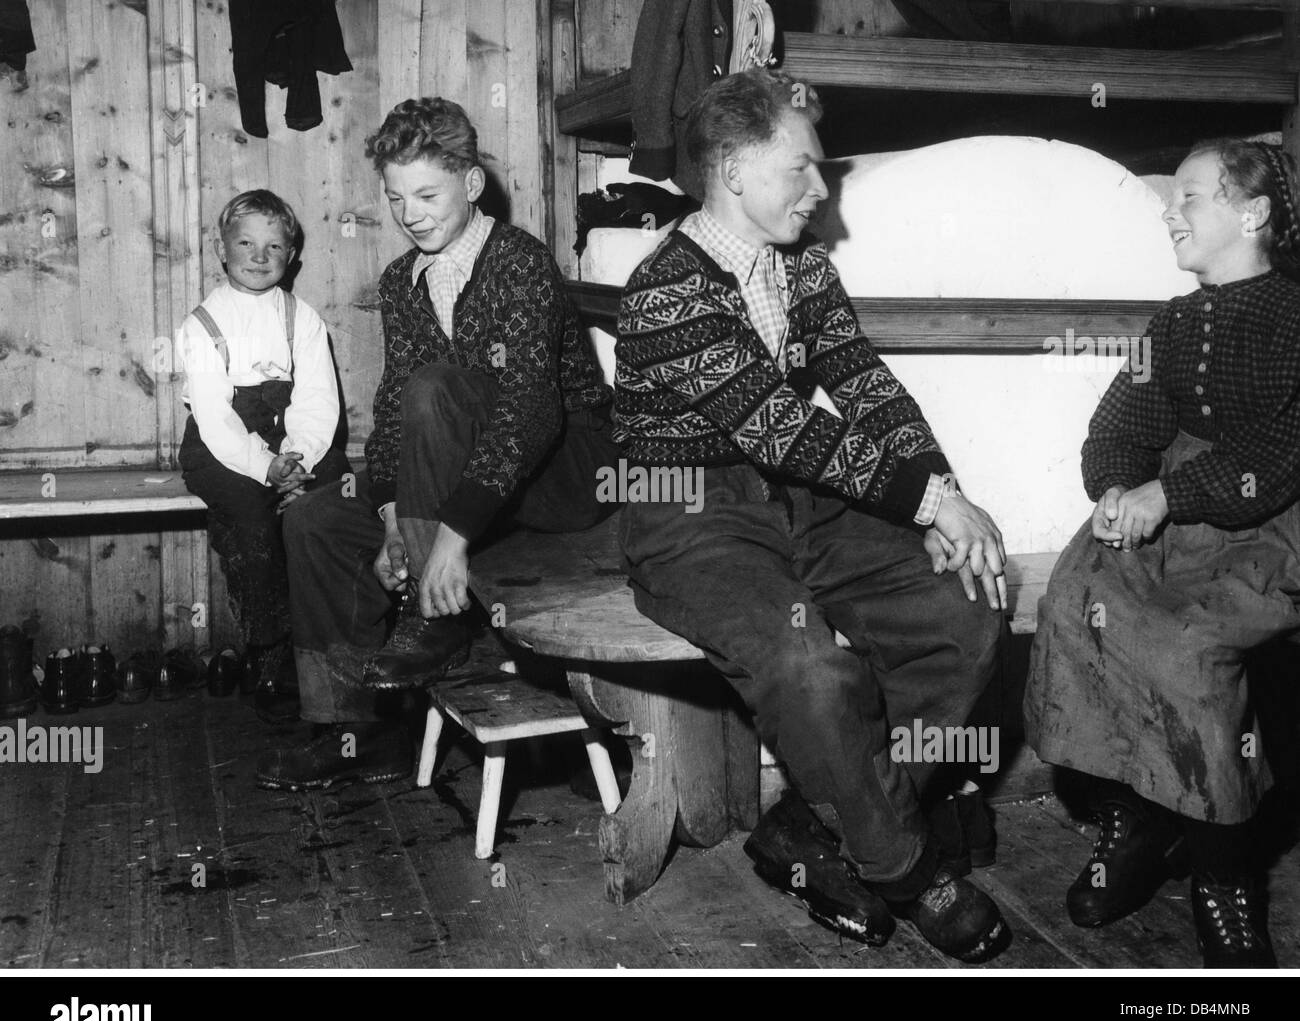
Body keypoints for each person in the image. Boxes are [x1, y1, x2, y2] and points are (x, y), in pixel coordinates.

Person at [615, 68, 1011, 962]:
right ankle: (906, 871)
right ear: (730, 167)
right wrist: (928, 499)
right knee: (810, 664)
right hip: (689, 511)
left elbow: (866, 388)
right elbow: (781, 425)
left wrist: (944, 493)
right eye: (800, 168)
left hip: (800, 498)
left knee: (968, 608)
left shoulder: (804, 269)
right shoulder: (665, 289)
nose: (820, 188)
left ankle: (816, 820)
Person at [256, 97, 616, 790]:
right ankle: (358, 729)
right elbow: (393, 412)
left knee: (436, 388)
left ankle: (435, 615)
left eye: (427, 193)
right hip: (466, 471)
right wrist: (393, 518)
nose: (410, 212)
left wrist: (448, 539)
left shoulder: (519, 262)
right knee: (315, 518)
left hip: (570, 466)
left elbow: (531, 410)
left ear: (472, 185)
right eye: (395, 197)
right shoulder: (401, 281)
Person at [1024, 138, 1300, 967]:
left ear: (1252, 214)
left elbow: (1284, 449)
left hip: (1270, 524)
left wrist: (1168, 496)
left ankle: (1223, 871)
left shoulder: (1295, 315)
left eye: (1190, 197)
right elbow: (1120, 425)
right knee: (1072, 602)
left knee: (1188, 650)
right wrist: (1114, 485)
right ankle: (1137, 818)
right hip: (1170, 517)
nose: (1169, 211)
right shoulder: (1176, 320)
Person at [178, 189, 349, 720]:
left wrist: (299, 456)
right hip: (221, 447)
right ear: (221, 249)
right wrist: (263, 466)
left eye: (273, 247)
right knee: (252, 519)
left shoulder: (304, 319)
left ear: (291, 257)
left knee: (332, 502)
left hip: (291, 437)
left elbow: (317, 399)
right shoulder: (202, 324)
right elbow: (215, 416)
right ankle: (268, 650)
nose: (259, 256)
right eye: (246, 243)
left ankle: (332, 649)